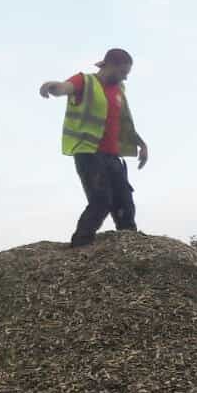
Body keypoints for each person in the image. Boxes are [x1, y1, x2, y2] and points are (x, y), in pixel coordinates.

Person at [39, 49, 149, 247]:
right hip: (88, 152)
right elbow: (65, 87)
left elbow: (123, 122)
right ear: (110, 65)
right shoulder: (85, 81)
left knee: (124, 201)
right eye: (123, 72)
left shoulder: (119, 90)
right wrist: (53, 87)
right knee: (101, 200)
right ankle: (80, 244)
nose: (125, 77)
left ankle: (130, 244)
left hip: (112, 155)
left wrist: (140, 143)